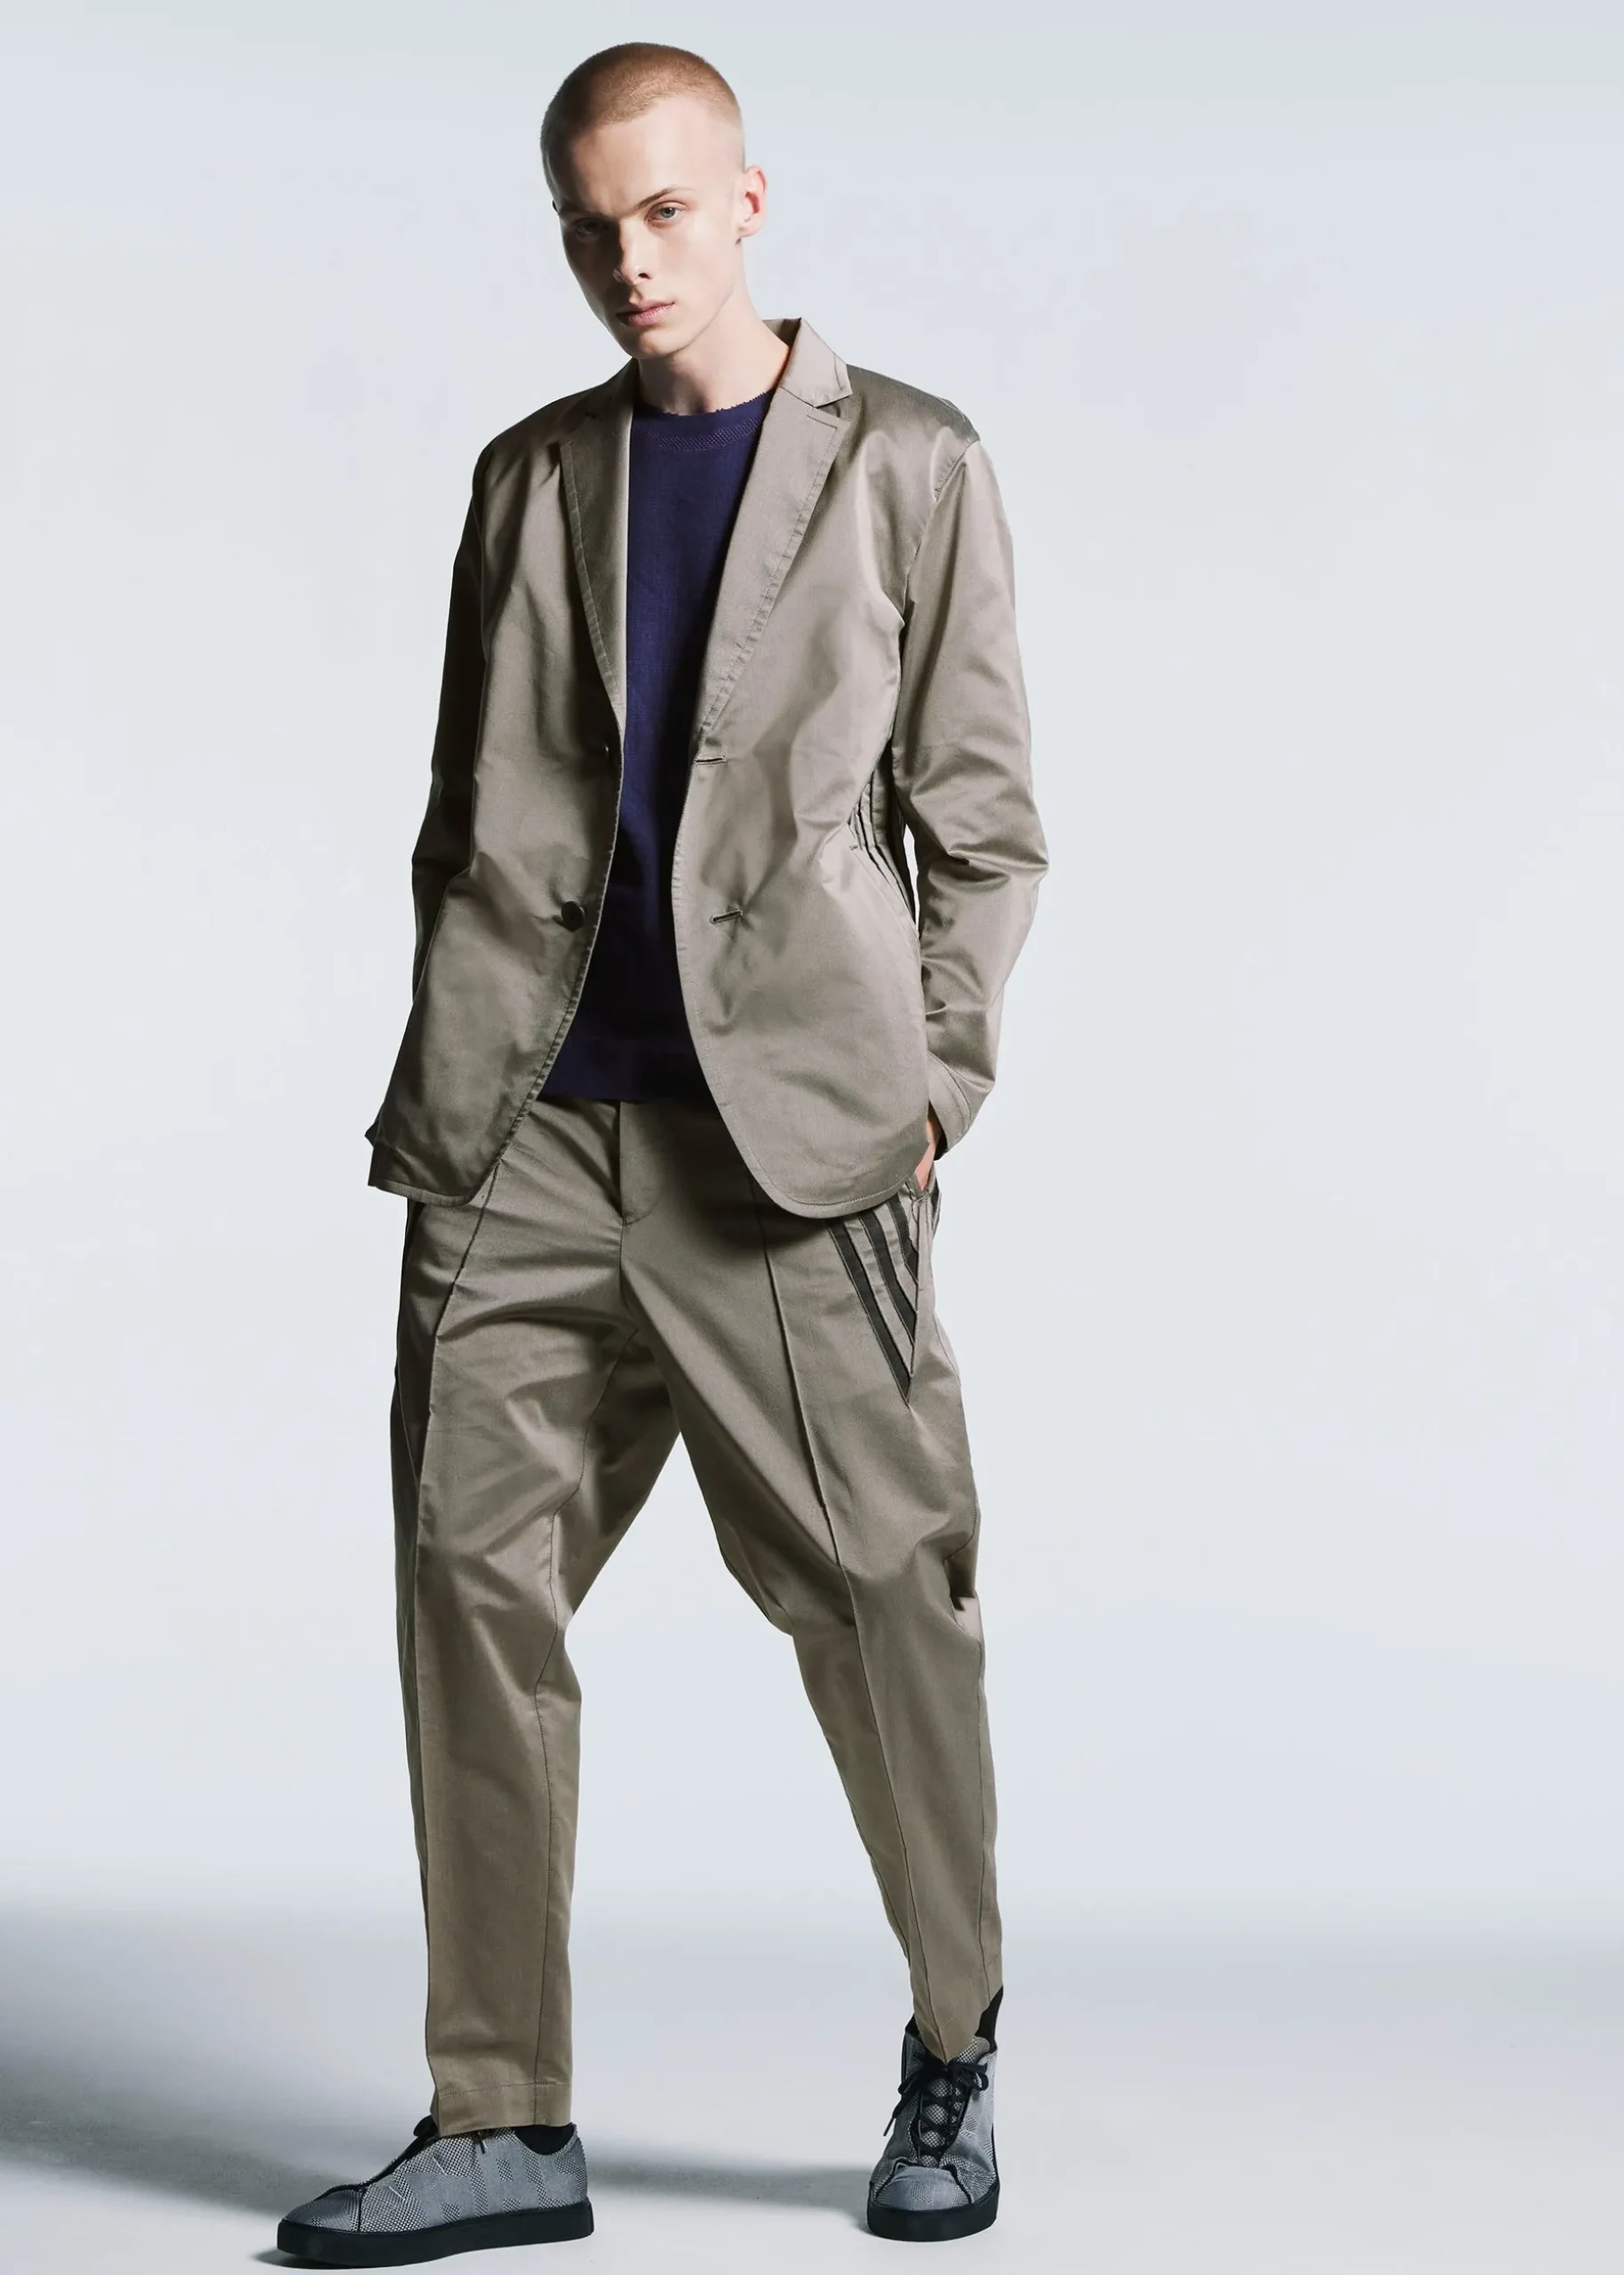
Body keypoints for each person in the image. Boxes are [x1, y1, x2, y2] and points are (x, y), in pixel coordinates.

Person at [277, 39, 1047, 2266]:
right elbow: (468, 810)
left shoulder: (909, 462)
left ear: (747, 200)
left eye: (663, 212)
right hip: (522, 1132)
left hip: (787, 1145)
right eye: (589, 226)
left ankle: (954, 2036)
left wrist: (931, 1085)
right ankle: (499, 2113)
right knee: (467, 1588)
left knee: (883, 1593)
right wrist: (452, 1077)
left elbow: (981, 819)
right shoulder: (532, 477)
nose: (628, 259)